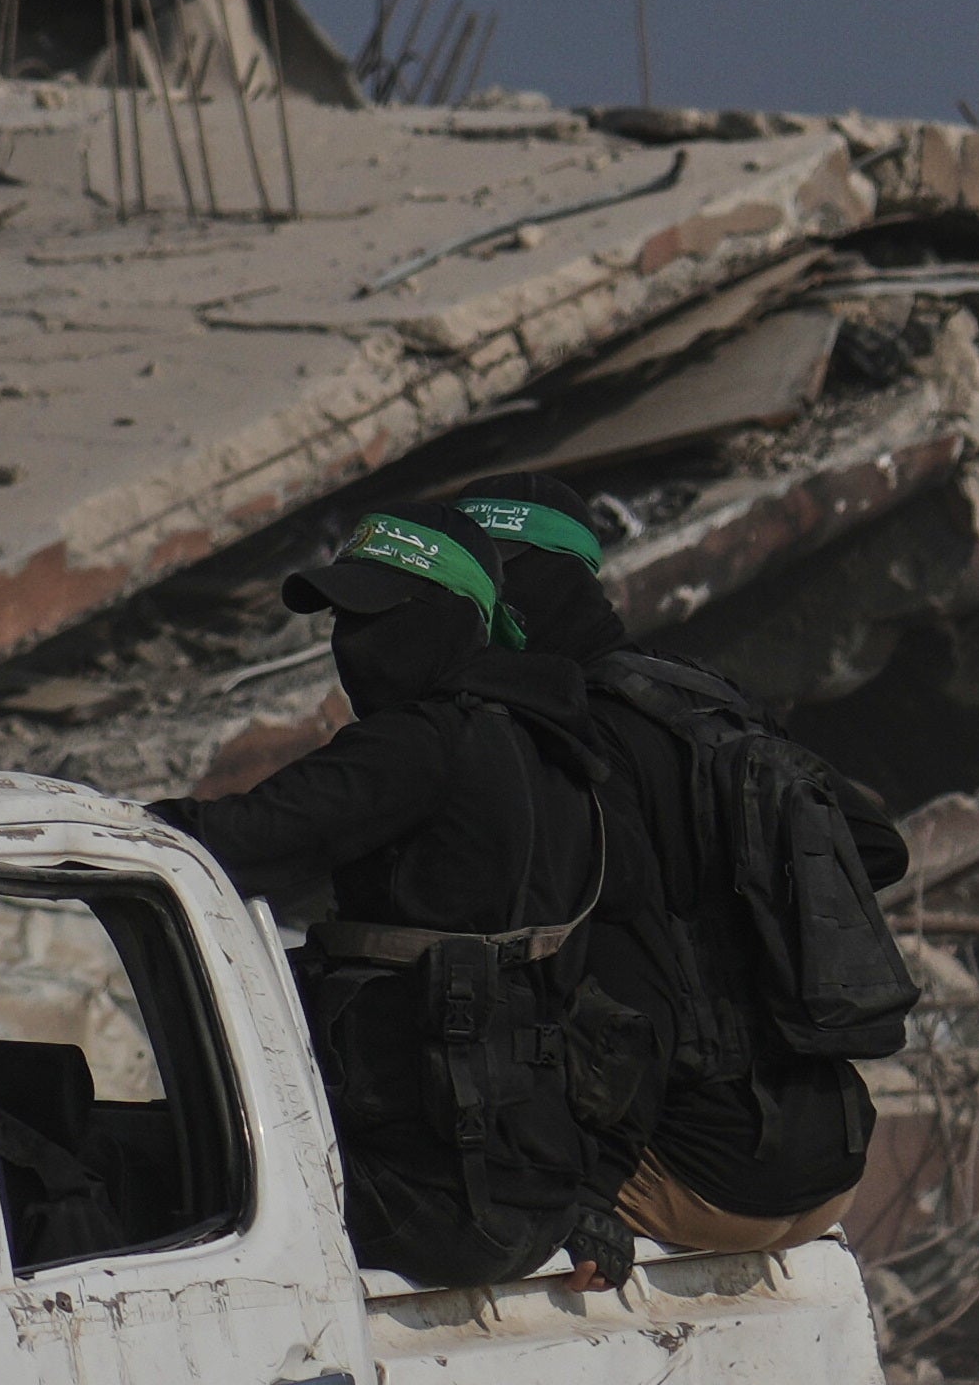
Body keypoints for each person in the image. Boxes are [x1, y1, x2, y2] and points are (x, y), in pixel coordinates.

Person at [162, 513, 641, 1288]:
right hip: (536, 1196)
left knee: (123, 1168)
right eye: (344, 619)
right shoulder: (560, 753)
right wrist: (595, 1193)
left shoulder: (423, 744)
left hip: (429, 1197)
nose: (352, 641)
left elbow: (238, 841)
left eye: (376, 616)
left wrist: (86, 819)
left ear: (449, 618)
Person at [438, 486, 902, 1245]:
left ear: (504, 610)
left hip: (703, 1180)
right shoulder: (704, 697)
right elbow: (877, 847)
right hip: (833, 1164)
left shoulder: (559, 736)